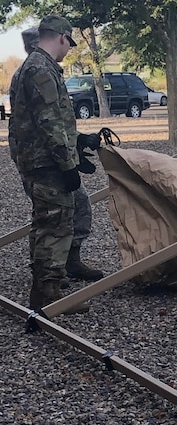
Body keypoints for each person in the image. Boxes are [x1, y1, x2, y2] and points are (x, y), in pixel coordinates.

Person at [10, 27, 103, 285]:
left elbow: (53, 121)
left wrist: (78, 140)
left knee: (64, 212)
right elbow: (47, 123)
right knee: (53, 221)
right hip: (45, 164)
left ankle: (63, 267)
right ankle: (48, 285)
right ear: (60, 38)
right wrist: (67, 164)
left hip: (45, 159)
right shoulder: (38, 71)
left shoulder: (38, 69)